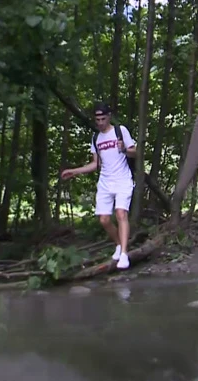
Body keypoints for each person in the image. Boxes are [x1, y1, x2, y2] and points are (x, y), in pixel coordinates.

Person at [60, 103, 137, 270]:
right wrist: (74, 171)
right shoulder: (96, 138)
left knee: (121, 213)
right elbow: (96, 164)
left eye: (103, 119)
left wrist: (124, 149)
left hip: (123, 179)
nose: (100, 122)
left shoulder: (120, 131)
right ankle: (118, 244)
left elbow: (135, 152)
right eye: (97, 120)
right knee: (104, 220)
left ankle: (124, 254)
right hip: (105, 182)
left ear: (109, 117)